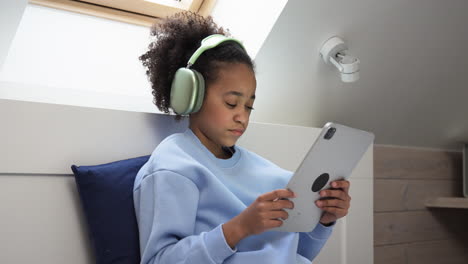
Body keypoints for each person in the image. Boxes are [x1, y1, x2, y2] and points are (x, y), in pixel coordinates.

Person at [133, 11, 351, 264]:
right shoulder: (173, 168)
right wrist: (239, 228)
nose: (242, 117)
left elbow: (298, 254)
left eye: (248, 106)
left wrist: (324, 220)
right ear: (191, 94)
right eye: (231, 103)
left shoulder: (273, 175)